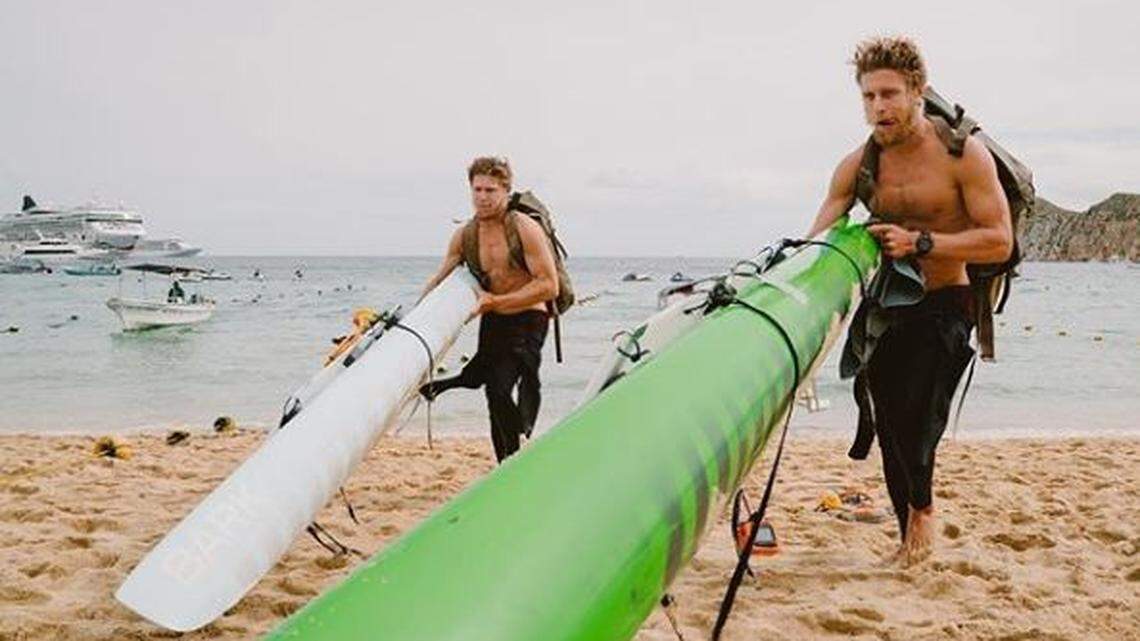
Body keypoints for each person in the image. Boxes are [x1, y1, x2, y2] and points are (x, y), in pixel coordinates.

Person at [808, 36, 1012, 565]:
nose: (879, 107)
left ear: (917, 91)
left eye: (890, 94)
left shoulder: (962, 154)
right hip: (887, 306)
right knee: (889, 422)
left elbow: (998, 240)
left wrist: (922, 242)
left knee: (917, 420)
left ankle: (921, 513)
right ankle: (909, 531)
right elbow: (819, 233)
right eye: (869, 96)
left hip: (948, 300)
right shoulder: (859, 164)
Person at [419, 157, 559, 463]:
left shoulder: (523, 228)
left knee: (499, 388)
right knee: (490, 392)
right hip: (494, 318)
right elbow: (440, 277)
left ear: (506, 191)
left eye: (490, 190)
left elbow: (549, 286)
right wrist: (415, 315)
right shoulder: (466, 235)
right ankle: (506, 461)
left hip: (529, 317)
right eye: (477, 189)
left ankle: (516, 454)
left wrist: (495, 302)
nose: (482, 197)